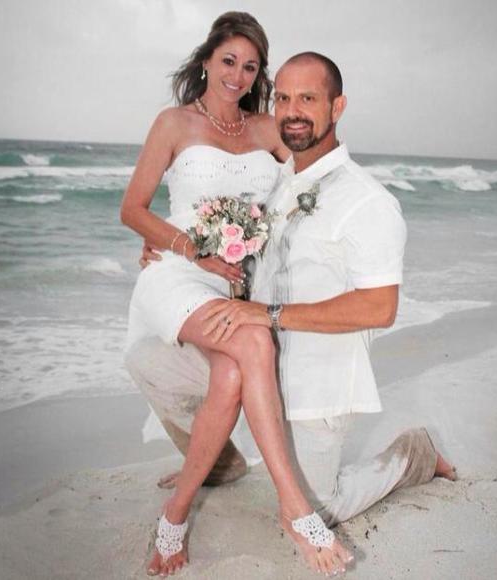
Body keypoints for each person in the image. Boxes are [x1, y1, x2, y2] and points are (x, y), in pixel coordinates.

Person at [130, 49, 457, 539]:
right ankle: (220, 462)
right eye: (282, 98)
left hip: (312, 388)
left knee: (315, 512)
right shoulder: (282, 178)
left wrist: (268, 314)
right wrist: (167, 241)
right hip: (260, 362)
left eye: (307, 98)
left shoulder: (367, 202)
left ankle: (415, 455)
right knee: (148, 360)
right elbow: (230, 225)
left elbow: (380, 308)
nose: (292, 111)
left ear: (337, 106)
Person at [121, 13, 353, 578]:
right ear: (207, 60)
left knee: (229, 375)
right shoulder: (173, 122)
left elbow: (314, 184)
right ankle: (294, 505)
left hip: (237, 281)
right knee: (254, 341)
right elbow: (132, 209)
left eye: (250, 67)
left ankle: (175, 515)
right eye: (229, 61)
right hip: (178, 273)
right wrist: (181, 245)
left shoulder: (267, 130)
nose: (238, 75)